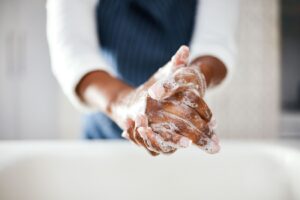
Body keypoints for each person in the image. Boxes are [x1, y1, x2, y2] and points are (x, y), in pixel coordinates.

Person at [46, 0, 239, 155]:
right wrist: (127, 103)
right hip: (103, 138)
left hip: (181, 135)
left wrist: (195, 76)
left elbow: (216, 42)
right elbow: (74, 52)